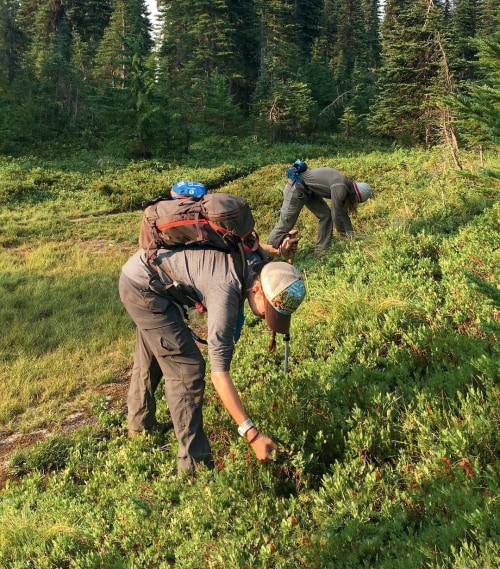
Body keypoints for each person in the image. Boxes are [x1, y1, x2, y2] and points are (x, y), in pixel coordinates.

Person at [118, 198, 305, 475]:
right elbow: (220, 374)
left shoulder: (256, 261)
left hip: (151, 274)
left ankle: (140, 425)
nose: (266, 318)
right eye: (269, 310)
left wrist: (283, 253)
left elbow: (266, 253)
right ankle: (194, 468)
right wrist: (252, 434)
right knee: (187, 368)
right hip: (144, 288)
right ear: (256, 290)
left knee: (157, 349)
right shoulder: (226, 290)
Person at [267, 161, 372, 255]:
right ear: (356, 195)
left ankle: (321, 252)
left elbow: (342, 212)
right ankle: (266, 255)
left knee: (326, 215)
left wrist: (351, 235)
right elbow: (336, 214)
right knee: (285, 224)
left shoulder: (345, 185)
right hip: (296, 188)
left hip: (308, 191)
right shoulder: (340, 188)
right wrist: (344, 236)